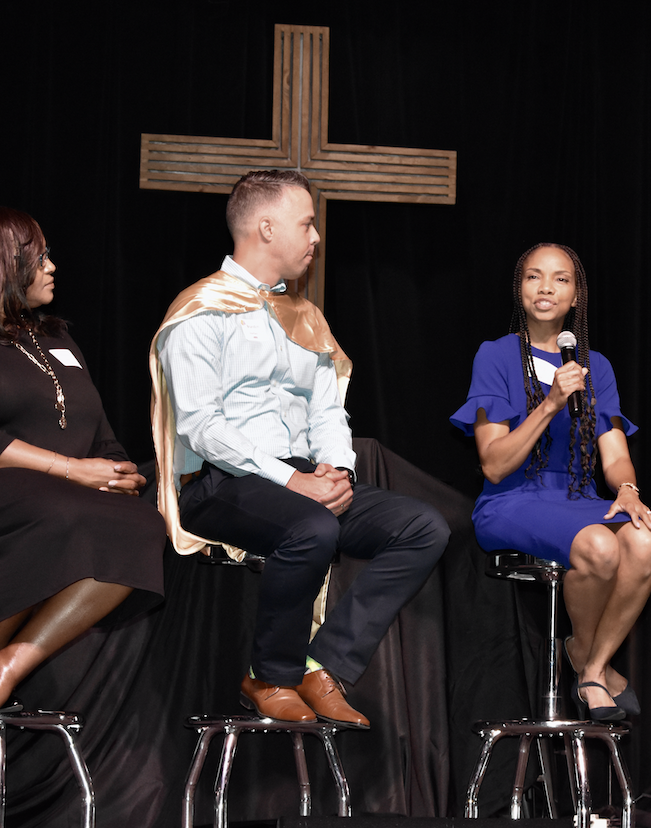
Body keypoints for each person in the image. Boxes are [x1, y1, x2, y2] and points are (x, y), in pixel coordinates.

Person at [150, 169, 449, 728]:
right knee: (312, 528)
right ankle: (270, 673)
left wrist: (334, 469)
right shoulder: (199, 312)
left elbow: (327, 409)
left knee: (423, 527)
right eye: (307, 223)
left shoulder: (305, 316)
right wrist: (295, 483)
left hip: (302, 478)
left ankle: (321, 664)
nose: (316, 237)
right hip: (221, 483)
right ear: (266, 227)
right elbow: (201, 428)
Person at [0, 207, 166, 746]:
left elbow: (97, 431)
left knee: (142, 523)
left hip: (59, 494)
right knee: (68, 512)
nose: (52, 266)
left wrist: (117, 472)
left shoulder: (55, 339)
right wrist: (71, 470)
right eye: (38, 257)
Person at [450, 243, 651, 721]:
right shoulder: (496, 356)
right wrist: (550, 404)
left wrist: (628, 491)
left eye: (560, 279)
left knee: (645, 541)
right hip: (512, 499)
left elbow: (614, 455)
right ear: (519, 288)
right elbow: (494, 466)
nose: (546, 288)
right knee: (602, 548)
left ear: (575, 296)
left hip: (578, 497)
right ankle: (592, 670)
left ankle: (591, 666)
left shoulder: (596, 366)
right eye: (533, 277)